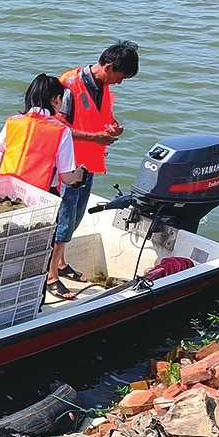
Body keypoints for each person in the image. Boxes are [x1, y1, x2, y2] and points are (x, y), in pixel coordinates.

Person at [0, 73, 88, 301]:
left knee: (9, 244)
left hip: (8, 194)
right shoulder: (60, 131)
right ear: (55, 99)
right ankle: (35, 295)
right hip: (41, 196)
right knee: (37, 250)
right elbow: (66, 177)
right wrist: (81, 174)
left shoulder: (13, 121)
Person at [55, 40, 139, 283]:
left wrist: (113, 127)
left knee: (75, 216)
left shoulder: (103, 86)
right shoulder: (70, 84)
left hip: (88, 162)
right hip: (68, 164)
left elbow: (101, 118)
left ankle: (60, 262)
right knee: (65, 217)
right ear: (109, 67)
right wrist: (95, 138)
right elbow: (57, 127)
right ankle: (52, 272)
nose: (119, 83)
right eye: (120, 77)